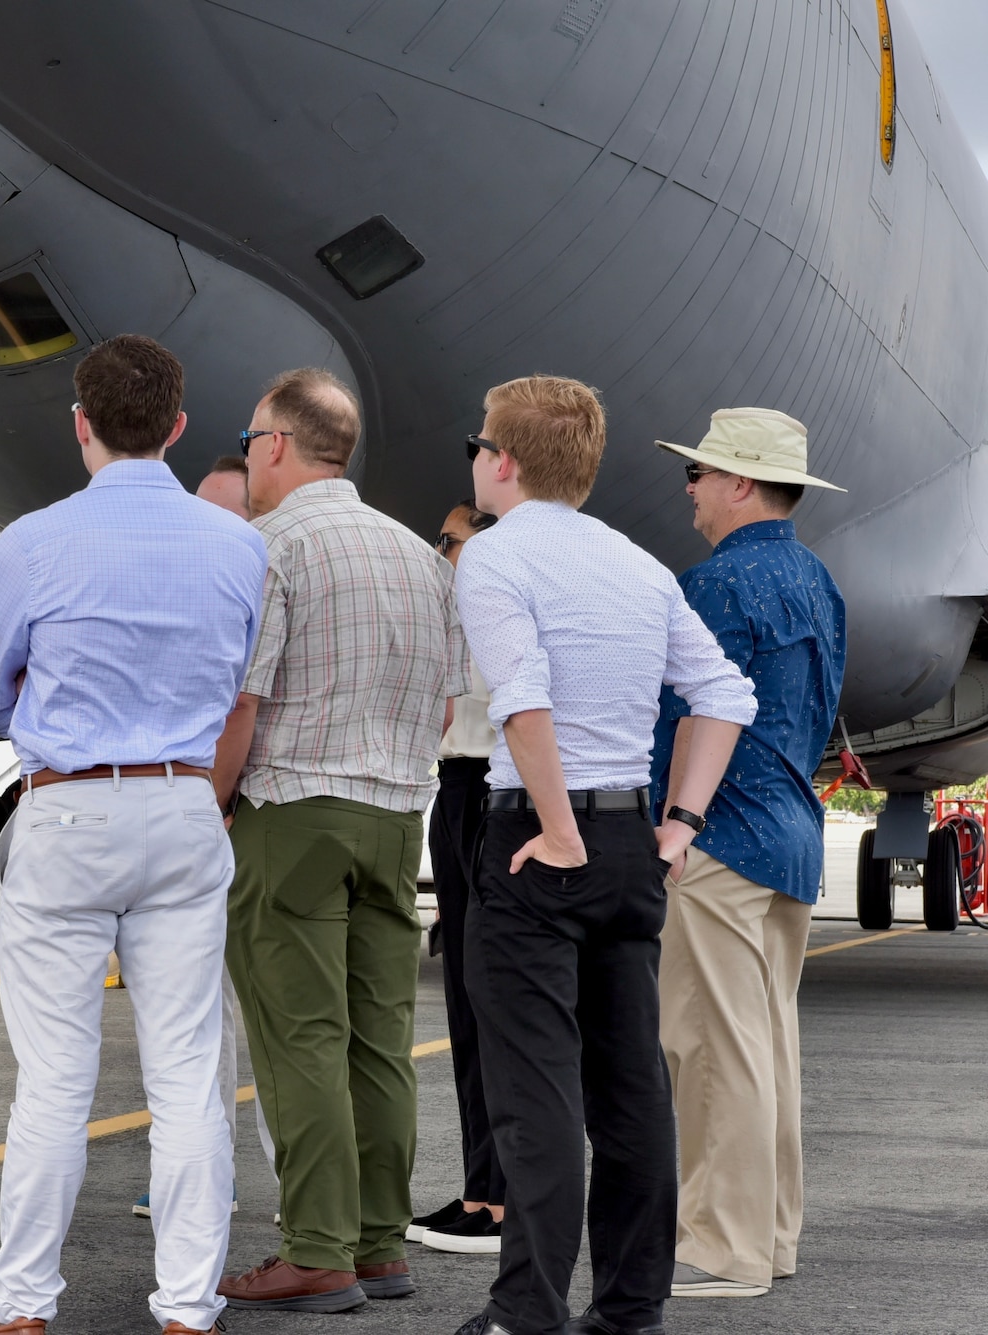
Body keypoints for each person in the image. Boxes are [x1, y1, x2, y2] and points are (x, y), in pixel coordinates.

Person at [0, 334, 266, 1335]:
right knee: (186, 1075)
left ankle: (21, 1307)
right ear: (177, 428)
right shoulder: (238, 545)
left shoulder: (31, 541)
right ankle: (186, 1306)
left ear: (79, 424)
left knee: (53, 1079)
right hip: (184, 804)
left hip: (70, 804)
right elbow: (229, 685)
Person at [449, 375, 757, 1335]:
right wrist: (680, 824)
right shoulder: (639, 565)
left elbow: (522, 696)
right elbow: (725, 695)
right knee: (631, 1090)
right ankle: (629, 1308)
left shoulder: (495, 559)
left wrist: (556, 826)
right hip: (632, 839)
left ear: (501, 460)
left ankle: (525, 1311)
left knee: (533, 1094)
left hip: (541, 834)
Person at [212, 368, 467, 1313]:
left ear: (276, 443)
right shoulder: (421, 555)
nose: (248, 458)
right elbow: (446, 705)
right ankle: (379, 1245)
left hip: (292, 811)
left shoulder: (266, 547)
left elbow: (244, 698)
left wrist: (213, 805)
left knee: (300, 1036)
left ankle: (315, 1246)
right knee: (380, 1040)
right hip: (398, 817)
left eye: (249, 442)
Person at [649, 409, 846, 1300]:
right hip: (791, 831)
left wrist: (671, 819)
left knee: (709, 1048)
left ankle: (723, 1249)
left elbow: (700, 713)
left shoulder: (716, 584)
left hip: (723, 833)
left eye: (698, 473)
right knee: (766, 1046)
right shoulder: (818, 580)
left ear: (737, 482)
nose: (687, 488)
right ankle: (768, 1235)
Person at [126, 458, 278, 1224]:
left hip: (254, 816)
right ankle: (193, 1177)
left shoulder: (273, 589)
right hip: (190, 822)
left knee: (281, 1015)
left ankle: (299, 1190)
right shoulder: (180, 597)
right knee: (191, 1013)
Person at [412, 503, 504, 1258]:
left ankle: (494, 1197)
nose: (440, 552)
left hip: (478, 790)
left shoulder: (481, 606)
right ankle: (485, 1186)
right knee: (476, 1002)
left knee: (482, 1001)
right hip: (469, 790)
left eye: (447, 540)